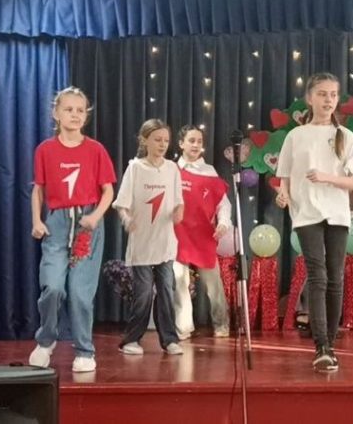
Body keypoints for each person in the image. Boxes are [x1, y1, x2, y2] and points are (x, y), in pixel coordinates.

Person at [276, 72, 353, 373]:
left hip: (337, 213)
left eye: (333, 94)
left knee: (336, 277)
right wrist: (283, 194)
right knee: (317, 275)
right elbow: (284, 177)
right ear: (310, 98)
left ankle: (331, 344)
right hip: (306, 213)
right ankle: (321, 345)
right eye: (322, 94)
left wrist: (326, 177)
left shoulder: (346, 137)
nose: (328, 100)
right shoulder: (295, 136)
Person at [29, 87, 116, 373]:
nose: (75, 115)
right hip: (56, 224)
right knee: (52, 287)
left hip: (87, 224)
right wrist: (37, 221)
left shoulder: (96, 149)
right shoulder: (45, 149)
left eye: (80, 110)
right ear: (56, 113)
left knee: (80, 292)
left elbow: (108, 191)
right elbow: (38, 190)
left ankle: (84, 350)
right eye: (69, 109)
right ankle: (46, 339)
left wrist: (95, 217)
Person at [114, 119, 186, 356]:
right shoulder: (135, 168)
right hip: (142, 244)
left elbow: (179, 201)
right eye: (157, 140)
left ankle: (170, 339)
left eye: (166, 140)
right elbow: (121, 204)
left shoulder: (172, 169)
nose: (162, 144)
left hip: (165, 243)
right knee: (143, 293)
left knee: (166, 291)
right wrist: (127, 220)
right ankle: (131, 340)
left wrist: (179, 212)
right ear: (144, 140)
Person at [173, 124, 232, 339]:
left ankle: (221, 324)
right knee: (179, 282)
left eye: (199, 141)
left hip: (204, 235)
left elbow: (223, 203)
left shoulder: (210, 172)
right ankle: (183, 327)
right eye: (191, 140)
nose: (196, 145)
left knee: (213, 284)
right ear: (181, 143)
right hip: (177, 235)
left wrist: (223, 223)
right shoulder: (171, 171)